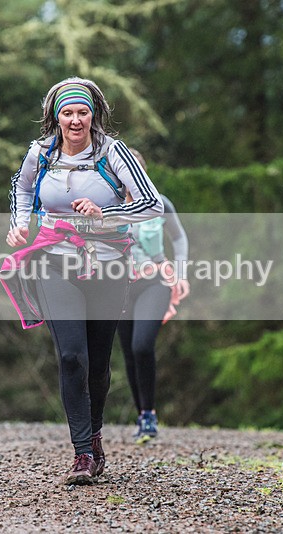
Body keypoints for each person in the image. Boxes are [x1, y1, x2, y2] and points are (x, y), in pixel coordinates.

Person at [5, 77, 163, 485]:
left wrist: (103, 214)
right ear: (55, 117)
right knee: (72, 356)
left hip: (108, 264)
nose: (76, 120)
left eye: (83, 112)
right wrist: (21, 225)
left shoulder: (113, 152)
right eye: (68, 112)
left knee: (97, 363)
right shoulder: (39, 154)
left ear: (94, 115)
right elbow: (21, 190)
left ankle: (94, 437)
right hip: (53, 261)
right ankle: (81, 454)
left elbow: (151, 205)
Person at [117, 148, 190, 444]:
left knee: (142, 345)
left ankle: (149, 413)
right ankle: (142, 415)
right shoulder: (108, 205)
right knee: (128, 352)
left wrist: (181, 272)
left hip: (155, 282)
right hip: (117, 285)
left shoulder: (160, 204)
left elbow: (179, 237)